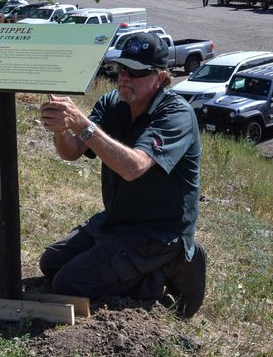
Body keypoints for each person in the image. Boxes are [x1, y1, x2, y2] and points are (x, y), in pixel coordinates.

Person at [38, 32, 207, 319]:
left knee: (69, 282)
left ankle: (162, 272)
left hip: (160, 231)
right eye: (122, 69)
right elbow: (71, 152)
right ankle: (127, 262)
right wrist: (61, 128)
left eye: (137, 72)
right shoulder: (111, 104)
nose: (125, 77)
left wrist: (82, 124)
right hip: (118, 221)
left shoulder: (175, 114)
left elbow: (133, 167)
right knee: (52, 263)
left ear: (161, 77)